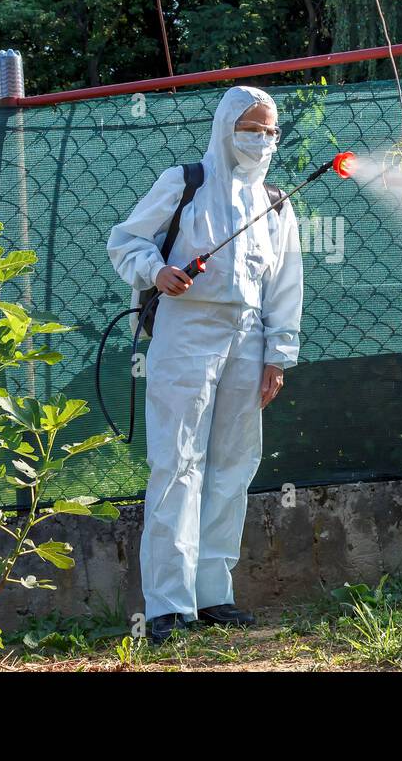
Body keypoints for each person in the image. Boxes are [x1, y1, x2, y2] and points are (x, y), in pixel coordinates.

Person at [107, 85, 304, 645]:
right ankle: (168, 605)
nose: (262, 139)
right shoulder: (184, 182)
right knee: (177, 461)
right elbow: (126, 241)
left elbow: (285, 287)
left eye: (270, 131)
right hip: (185, 332)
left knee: (233, 464)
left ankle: (214, 595)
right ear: (225, 127)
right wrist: (156, 271)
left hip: (248, 337)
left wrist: (278, 356)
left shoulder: (276, 202)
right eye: (251, 127)